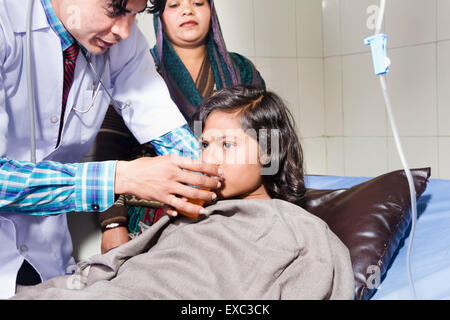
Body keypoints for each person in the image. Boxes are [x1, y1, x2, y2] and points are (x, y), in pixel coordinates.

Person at [11, 85, 355, 300]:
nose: (209, 157)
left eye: (228, 144)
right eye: (205, 144)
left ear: (267, 151)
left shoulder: (299, 230)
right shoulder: (190, 213)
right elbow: (119, 268)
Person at [0, 0, 223, 299]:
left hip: (47, 254)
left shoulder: (120, 41)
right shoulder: (6, 22)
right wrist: (120, 177)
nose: (124, 30)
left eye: (134, 13)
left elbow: (162, 122)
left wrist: (209, 176)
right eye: (114, 10)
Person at [87, 0, 266, 247]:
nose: (187, 10)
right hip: (155, 214)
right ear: (158, 16)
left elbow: (267, 138)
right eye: (174, 5)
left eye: (198, 3)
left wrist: (269, 199)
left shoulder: (240, 69)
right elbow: (109, 153)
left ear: (211, 11)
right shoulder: (136, 69)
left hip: (233, 207)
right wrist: (113, 222)